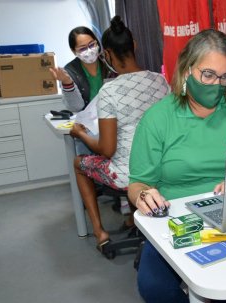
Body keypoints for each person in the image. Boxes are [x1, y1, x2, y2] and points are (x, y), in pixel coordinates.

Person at [127, 29, 226, 302]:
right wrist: (144, 195)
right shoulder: (158, 119)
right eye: (207, 75)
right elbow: (137, 184)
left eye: (224, 77)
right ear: (186, 70)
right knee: (154, 287)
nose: (216, 84)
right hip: (175, 221)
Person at [71, 16, 169, 251]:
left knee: (78, 163)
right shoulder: (161, 81)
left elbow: (107, 149)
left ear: (107, 55)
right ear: (134, 45)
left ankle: (99, 232)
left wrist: (81, 134)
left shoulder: (110, 90)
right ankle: (130, 218)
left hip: (128, 175)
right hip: (161, 168)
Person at [50, 26, 114, 112]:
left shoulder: (109, 62)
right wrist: (67, 82)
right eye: (83, 48)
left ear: (97, 43)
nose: (90, 51)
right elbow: (76, 107)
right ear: (74, 51)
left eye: (92, 45)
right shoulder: (69, 71)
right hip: (88, 119)